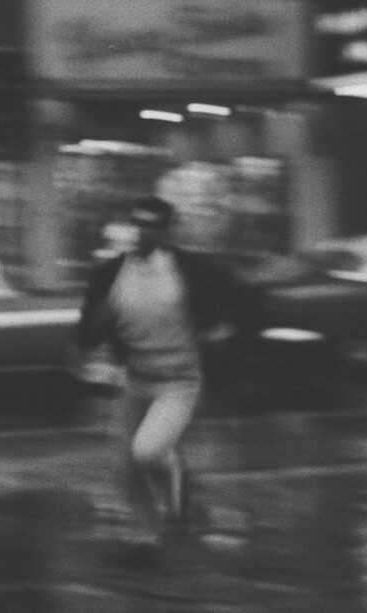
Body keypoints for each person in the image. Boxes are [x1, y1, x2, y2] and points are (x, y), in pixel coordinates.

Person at [75, 195, 253, 551]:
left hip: (179, 381)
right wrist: (82, 346)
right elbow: (92, 321)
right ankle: (147, 532)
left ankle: (178, 499)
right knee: (123, 464)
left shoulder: (190, 269)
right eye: (138, 223)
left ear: (167, 232)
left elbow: (243, 297)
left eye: (152, 226)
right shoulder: (112, 272)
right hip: (134, 378)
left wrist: (225, 330)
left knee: (147, 451)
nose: (142, 232)